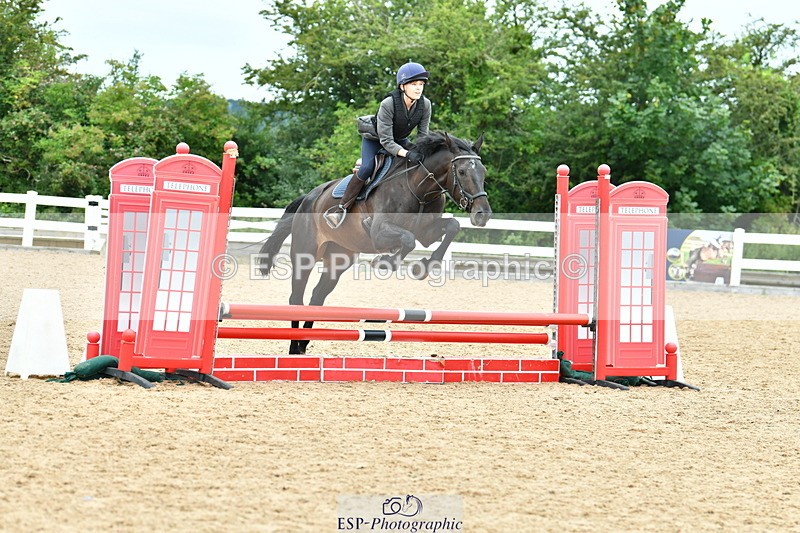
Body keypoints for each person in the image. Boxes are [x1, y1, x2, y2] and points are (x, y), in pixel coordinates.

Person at [324, 61, 432, 228]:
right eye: (413, 84)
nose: (418, 88)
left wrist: (422, 153)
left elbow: (423, 136)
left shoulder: (425, 105)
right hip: (376, 140)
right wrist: (407, 153)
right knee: (367, 168)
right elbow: (386, 141)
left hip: (400, 140)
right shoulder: (388, 104)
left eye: (421, 84)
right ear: (402, 86)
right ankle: (340, 209)